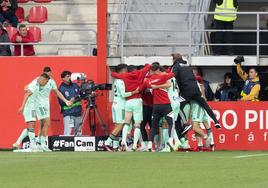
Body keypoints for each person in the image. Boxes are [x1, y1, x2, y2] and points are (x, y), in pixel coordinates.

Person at [24, 67, 72, 151]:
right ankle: (39, 143)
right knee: (45, 122)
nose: (48, 74)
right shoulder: (38, 80)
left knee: (45, 123)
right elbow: (27, 87)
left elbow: (57, 92)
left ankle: (41, 143)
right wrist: (26, 88)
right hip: (38, 104)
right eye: (46, 73)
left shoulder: (52, 82)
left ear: (50, 73)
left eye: (49, 73)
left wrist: (65, 100)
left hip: (46, 105)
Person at [171, 53, 221, 130]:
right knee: (205, 105)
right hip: (196, 90)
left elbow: (172, 77)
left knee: (178, 105)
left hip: (186, 92)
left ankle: (185, 124)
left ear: (174, 59)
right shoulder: (188, 66)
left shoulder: (176, 66)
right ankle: (216, 121)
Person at [111, 64, 151, 151]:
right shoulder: (140, 74)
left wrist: (114, 73)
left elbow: (114, 74)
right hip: (136, 101)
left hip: (126, 102)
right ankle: (134, 145)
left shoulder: (124, 77)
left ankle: (122, 143)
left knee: (125, 123)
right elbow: (148, 67)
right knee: (137, 124)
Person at [140, 63, 176, 152]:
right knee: (171, 123)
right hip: (166, 104)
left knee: (154, 126)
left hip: (155, 106)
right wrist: (165, 72)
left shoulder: (148, 80)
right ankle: (170, 141)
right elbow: (170, 80)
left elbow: (141, 88)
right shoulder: (162, 77)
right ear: (158, 70)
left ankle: (149, 145)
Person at [104, 64, 139, 151]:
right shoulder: (121, 80)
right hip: (121, 105)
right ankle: (107, 142)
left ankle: (115, 146)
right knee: (121, 125)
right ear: (121, 71)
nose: (127, 72)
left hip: (115, 104)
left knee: (117, 126)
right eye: (125, 70)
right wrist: (134, 92)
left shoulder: (116, 80)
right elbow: (123, 94)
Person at [13, 73, 50, 152]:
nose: (45, 84)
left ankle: (17, 143)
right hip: (28, 107)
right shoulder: (34, 84)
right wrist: (22, 107)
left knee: (31, 126)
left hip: (33, 108)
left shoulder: (37, 82)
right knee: (31, 125)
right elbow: (26, 95)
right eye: (46, 82)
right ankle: (33, 146)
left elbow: (35, 81)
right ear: (43, 79)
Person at [58, 71, 82, 136]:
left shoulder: (75, 85)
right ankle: (66, 145)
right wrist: (69, 101)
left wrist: (76, 98)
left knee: (78, 132)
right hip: (68, 113)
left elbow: (81, 95)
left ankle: (78, 145)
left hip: (78, 112)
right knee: (68, 132)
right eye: (67, 76)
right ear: (63, 78)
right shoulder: (61, 88)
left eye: (70, 76)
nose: (69, 77)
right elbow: (61, 102)